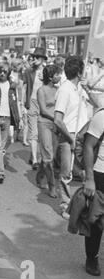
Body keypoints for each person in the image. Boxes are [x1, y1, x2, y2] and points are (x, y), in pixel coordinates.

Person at [54, 56, 90, 220]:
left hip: (83, 134)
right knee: (66, 173)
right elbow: (58, 120)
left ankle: (83, 205)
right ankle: (65, 206)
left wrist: (88, 89)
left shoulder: (79, 89)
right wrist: (70, 138)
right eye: (83, 69)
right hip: (69, 135)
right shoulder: (65, 89)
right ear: (78, 71)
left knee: (84, 172)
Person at [35, 65, 62, 199]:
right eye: (57, 74)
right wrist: (57, 118)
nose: (60, 76)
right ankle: (52, 186)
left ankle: (40, 175)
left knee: (50, 155)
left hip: (56, 125)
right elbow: (43, 110)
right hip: (44, 123)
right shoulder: (41, 90)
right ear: (51, 77)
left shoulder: (59, 90)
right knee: (48, 156)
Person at [83, 107, 104, 276]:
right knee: (97, 220)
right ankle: (92, 257)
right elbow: (88, 146)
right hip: (100, 174)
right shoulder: (102, 116)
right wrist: (89, 178)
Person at [23, 47, 47, 171]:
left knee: (42, 133)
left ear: (43, 59)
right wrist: (23, 105)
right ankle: (35, 160)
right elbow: (24, 87)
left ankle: (34, 156)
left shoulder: (48, 71)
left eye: (38, 57)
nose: (35, 59)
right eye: (34, 57)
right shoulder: (28, 71)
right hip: (32, 102)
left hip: (44, 105)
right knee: (34, 133)